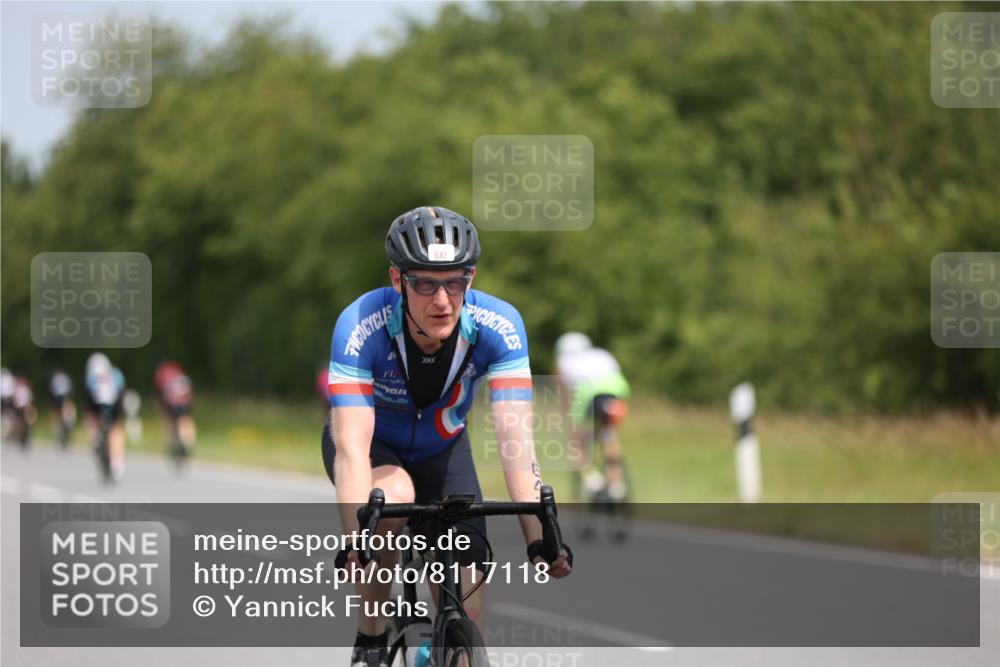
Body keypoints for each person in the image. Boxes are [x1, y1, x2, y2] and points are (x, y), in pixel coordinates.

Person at [321, 206, 572, 667]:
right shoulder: (360, 323)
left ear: (470, 279)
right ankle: (370, 638)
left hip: (444, 449)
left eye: (455, 282)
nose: (442, 300)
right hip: (375, 448)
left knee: (467, 609)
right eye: (424, 284)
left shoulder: (499, 325)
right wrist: (357, 539)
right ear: (397, 280)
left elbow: (516, 440)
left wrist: (539, 536)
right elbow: (352, 448)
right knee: (392, 498)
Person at [554, 332, 632, 515]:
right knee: (608, 434)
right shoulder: (603, 354)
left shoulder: (563, 362)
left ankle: (592, 480)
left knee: (576, 444)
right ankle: (617, 485)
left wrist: (570, 422)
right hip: (616, 394)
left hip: (588, 396)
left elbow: (565, 398)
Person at [84, 353, 127, 481]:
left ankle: (95, 439)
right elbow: (121, 390)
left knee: (91, 416)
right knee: (116, 428)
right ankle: (117, 461)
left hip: (96, 402)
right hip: (114, 403)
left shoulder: (91, 375)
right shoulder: (116, 373)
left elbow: (88, 393)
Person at [154, 360, 196, 460]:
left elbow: (159, 391)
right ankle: (188, 443)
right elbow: (189, 390)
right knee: (186, 420)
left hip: (171, 402)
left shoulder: (162, 374)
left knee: (168, 419)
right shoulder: (180, 374)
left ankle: (169, 442)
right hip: (185, 400)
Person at [48, 369, 77, 449]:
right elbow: (71, 388)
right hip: (65, 397)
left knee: (56, 413)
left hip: (57, 398)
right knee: (68, 408)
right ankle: (68, 421)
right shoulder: (66, 377)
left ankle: (57, 429)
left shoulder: (55, 378)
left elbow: (51, 389)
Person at [11, 375, 37, 449]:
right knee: (23, 424)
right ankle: (21, 437)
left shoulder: (20, 389)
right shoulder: (24, 389)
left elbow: (15, 399)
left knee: (22, 424)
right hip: (22, 408)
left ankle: (22, 438)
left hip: (22, 408)